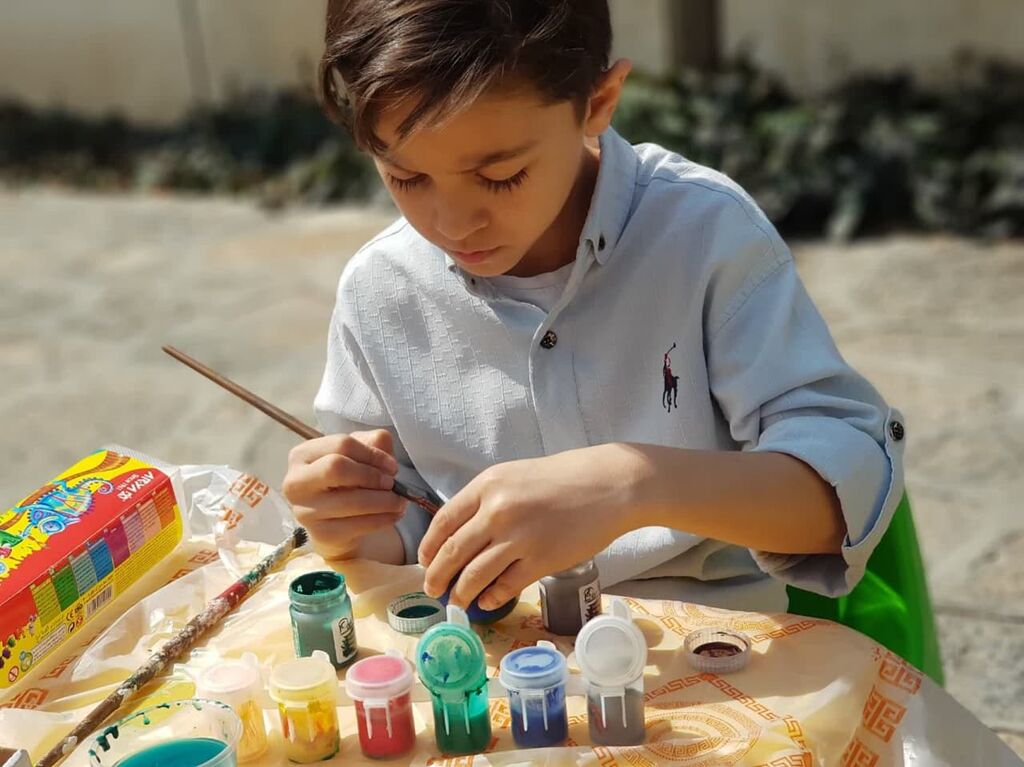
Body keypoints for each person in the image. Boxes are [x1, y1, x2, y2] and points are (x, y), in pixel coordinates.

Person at [281, 0, 906, 613]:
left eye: (501, 176)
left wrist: (633, 483)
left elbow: (840, 497)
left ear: (599, 103)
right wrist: (350, 522)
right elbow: (408, 529)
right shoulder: (381, 289)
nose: (452, 223)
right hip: (497, 653)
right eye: (405, 178)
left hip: (712, 650)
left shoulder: (704, 236)